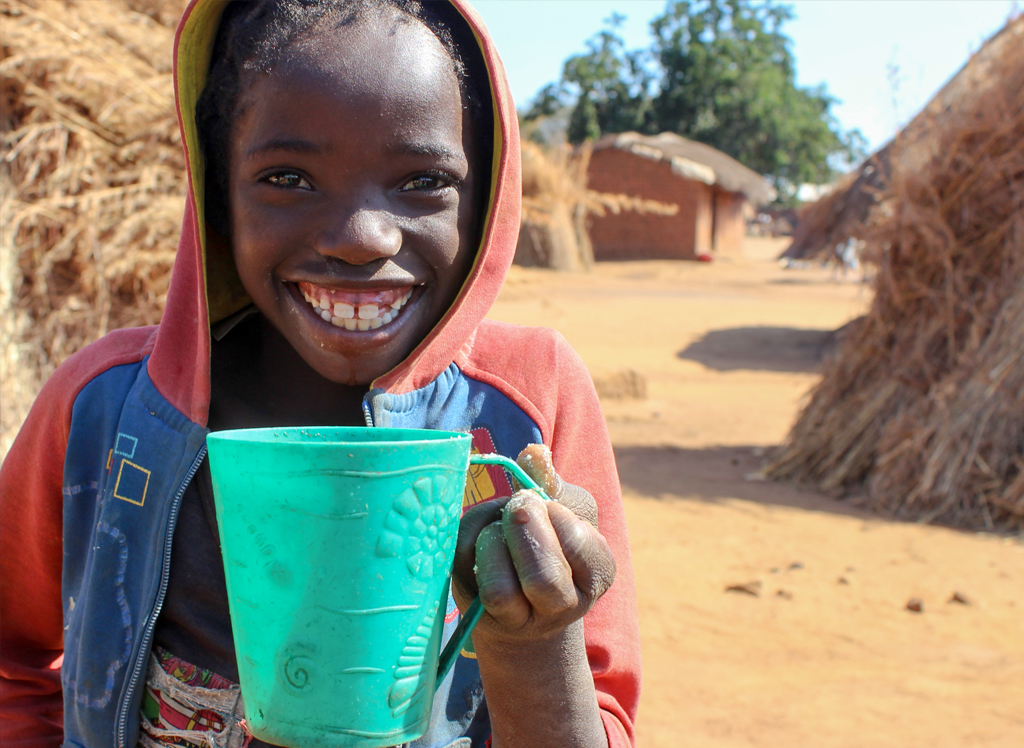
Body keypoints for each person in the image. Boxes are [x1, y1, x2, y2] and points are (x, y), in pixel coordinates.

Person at [0, 1, 641, 747]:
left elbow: (601, 716)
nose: (362, 239)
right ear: (217, 192)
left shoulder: (530, 400)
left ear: (484, 196)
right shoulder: (106, 411)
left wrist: (534, 642)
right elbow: (13, 657)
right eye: (287, 177)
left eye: (423, 180)